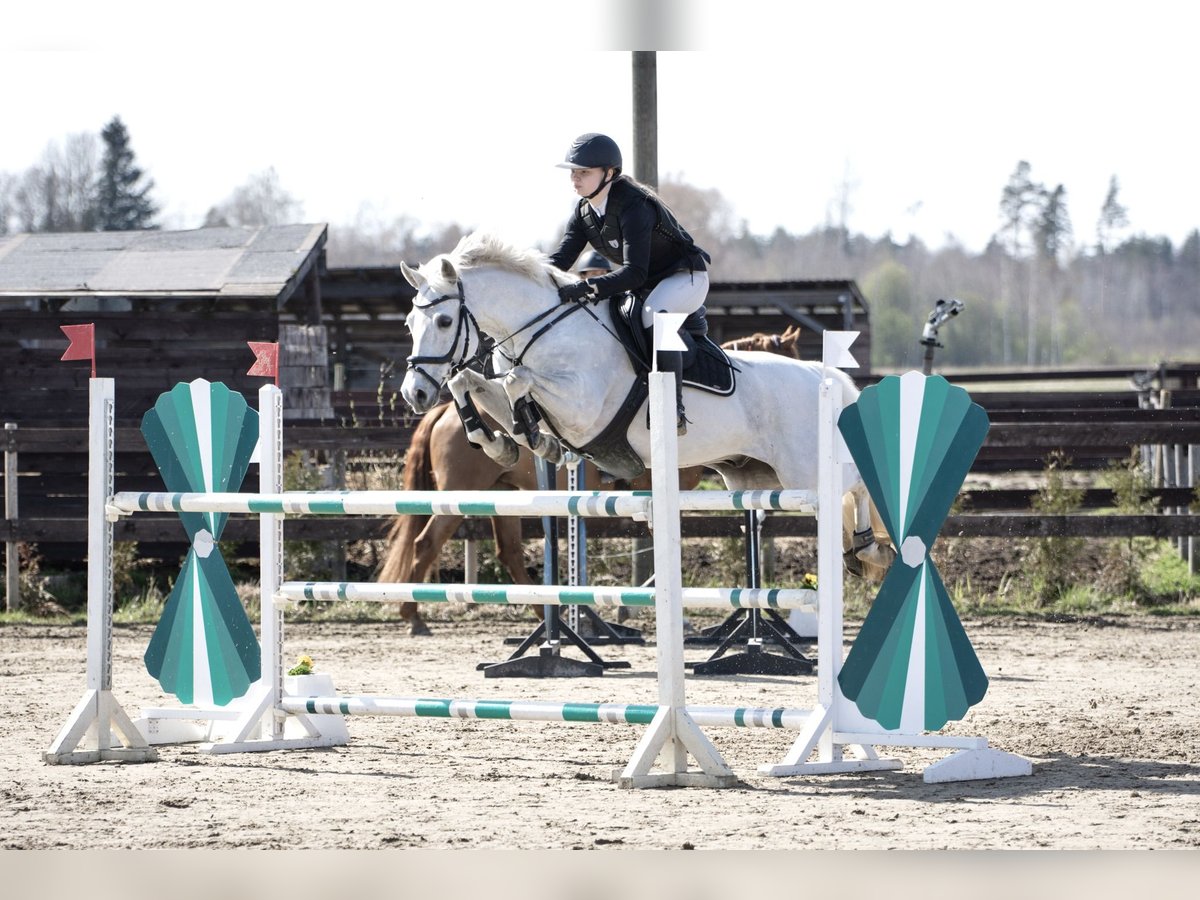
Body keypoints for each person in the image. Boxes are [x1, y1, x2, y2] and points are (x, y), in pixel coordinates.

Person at [547, 132, 711, 434]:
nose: (575, 179)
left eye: (584, 172)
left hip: (684, 278)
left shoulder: (634, 205)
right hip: (647, 284)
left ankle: (671, 408)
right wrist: (532, 277)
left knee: (654, 313)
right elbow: (560, 259)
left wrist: (585, 288)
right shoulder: (585, 212)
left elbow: (633, 273)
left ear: (609, 173)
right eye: (573, 172)